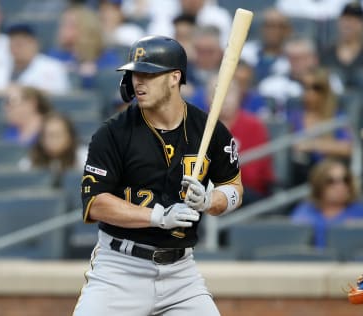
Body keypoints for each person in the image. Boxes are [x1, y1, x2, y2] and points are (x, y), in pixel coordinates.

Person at [74, 35, 243, 316]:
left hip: (180, 272)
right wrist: (158, 217)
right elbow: (97, 203)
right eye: (135, 73)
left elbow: (234, 187)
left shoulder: (208, 129)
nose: (138, 82)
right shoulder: (113, 133)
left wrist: (211, 200)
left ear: (175, 77)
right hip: (120, 269)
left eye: (149, 74)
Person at [287, 68, 352, 185]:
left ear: (325, 90)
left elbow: (347, 148)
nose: (310, 92)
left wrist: (312, 145)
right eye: (305, 87)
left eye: (316, 88)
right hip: (300, 175)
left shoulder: (336, 117)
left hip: (328, 177)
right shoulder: (294, 116)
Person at [290, 158, 363, 248]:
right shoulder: (305, 211)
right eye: (331, 181)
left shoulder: (361, 213)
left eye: (345, 180)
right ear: (319, 184)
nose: (341, 186)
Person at [217, 79, 275, 204]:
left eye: (228, 92)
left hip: (248, 192)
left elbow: (253, 175)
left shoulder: (253, 125)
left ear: (239, 96)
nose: (223, 97)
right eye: (215, 92)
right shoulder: (199, 126)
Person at [48, 4, 123, 89]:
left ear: (86, 28)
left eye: (70, 25)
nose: (63, 28)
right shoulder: (54, 56)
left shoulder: (107, 57)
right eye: (63, 24)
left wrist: (94, 74)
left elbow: (112, 84)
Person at [321, 2, 363, 88]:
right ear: (339, 22)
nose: (349, 25)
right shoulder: (326, 53)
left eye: (355, 21)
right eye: (346, 19)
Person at [19, 112, 88, 180]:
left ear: (70, 137)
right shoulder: (29, 163)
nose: (52, 140)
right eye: (47, 135)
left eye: (57, 135)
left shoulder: (85, 159)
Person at [6, 23, 70, 95]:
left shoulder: (53, 67)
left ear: (35, 44)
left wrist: (19, 90)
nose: (16, 49)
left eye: (20, 44)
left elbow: (58, 96)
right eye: (12, 44)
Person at [241, 8, 291, 83]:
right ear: (261, 28)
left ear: (287, 30)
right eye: (269, 26)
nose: (273, 31)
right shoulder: (244, 51)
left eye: (279, 26)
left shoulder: (293, 59)